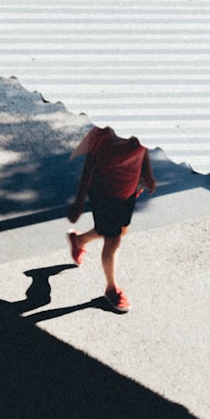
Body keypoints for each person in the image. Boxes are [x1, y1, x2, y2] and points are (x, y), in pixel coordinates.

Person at [66, 126, 157, 313]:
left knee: (119, 230)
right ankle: (111, 289)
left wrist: (147, 173)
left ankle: (78, 240)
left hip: (128, 190)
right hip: (104, 193)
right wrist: (78, 203)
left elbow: (143, 147)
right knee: (113, 239)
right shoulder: (104, 137)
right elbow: (88, 170)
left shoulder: (140, 124)